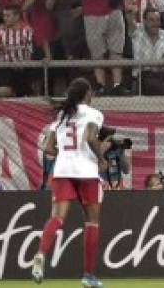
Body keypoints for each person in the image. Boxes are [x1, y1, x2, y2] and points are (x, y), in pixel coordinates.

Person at [31, 77, 106, 287]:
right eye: (91, 91)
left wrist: (63, 152)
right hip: (87, 171)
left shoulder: (62, 115)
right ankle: (88, 275)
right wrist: (101, 160)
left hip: (63, 170)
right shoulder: (94, 114)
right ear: (87, 93)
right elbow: (91, 137)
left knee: (57, 217)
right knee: (92, 221)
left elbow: (47, 148)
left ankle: (40, 254)